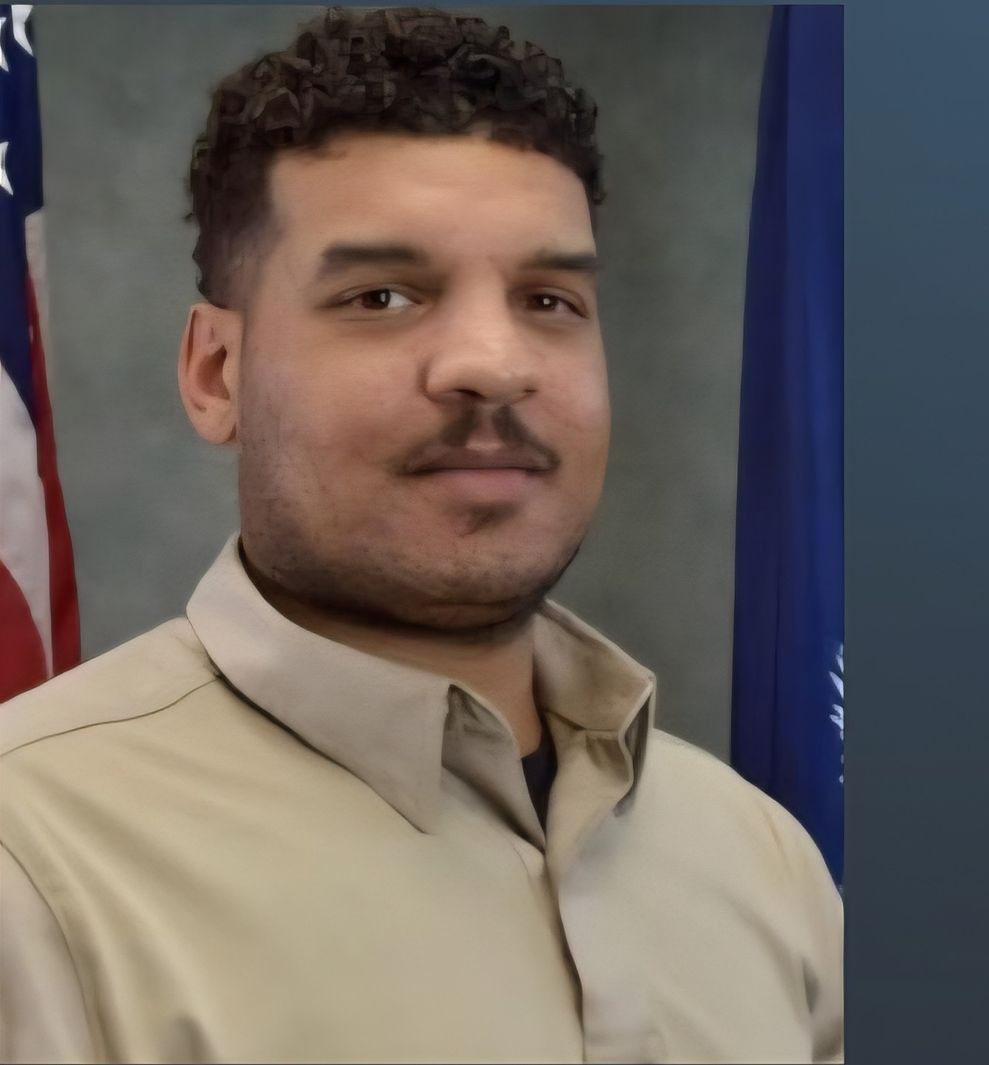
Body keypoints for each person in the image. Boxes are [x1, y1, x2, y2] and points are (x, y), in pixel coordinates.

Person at [0, 8, 843, 1062]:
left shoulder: (762, 860)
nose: (492, 362)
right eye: (382, 295)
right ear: (218, 373)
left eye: (548, 297)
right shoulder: (26, 871)